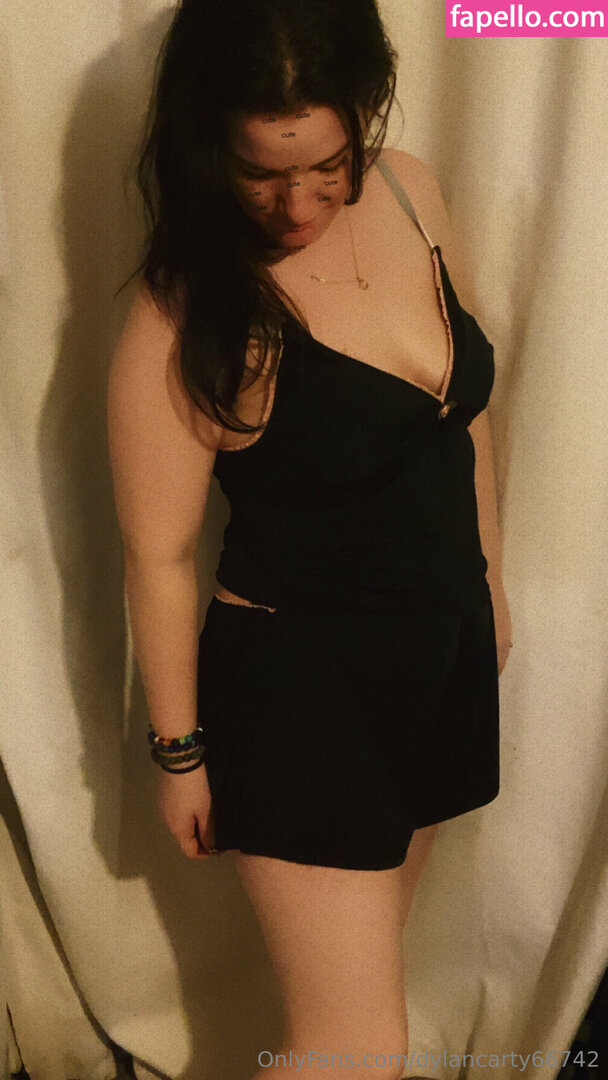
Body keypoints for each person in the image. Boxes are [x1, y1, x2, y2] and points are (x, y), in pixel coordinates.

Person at [107, 1, 513, 1077]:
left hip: (436, 659)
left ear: (363, 112)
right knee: (353, 1049)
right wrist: (181, 755)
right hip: (304, 695)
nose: (298, 204)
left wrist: (490, 581)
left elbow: (460, 417)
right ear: (210, 145)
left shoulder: (409, 189)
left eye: (326, 165)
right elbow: (157, 554)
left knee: (358, 1003)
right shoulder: (188, 309)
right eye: (261, 174)